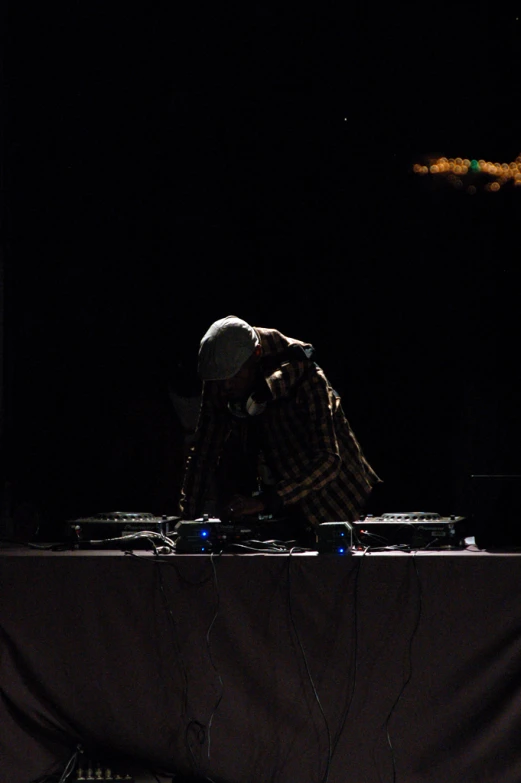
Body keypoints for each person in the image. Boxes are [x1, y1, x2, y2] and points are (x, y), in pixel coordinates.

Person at [179, 316, 381, 536]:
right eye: (219, 381)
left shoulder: (309, 379)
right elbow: (203, 454)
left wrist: (267, 500)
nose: (226, 386)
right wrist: (187, 523)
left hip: (342, 507)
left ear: (256, 355)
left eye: (234, 376)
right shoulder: (221, 382)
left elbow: (328, 461)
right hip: (288, 511)